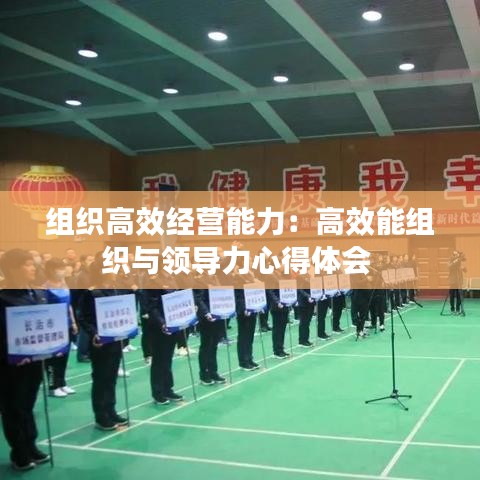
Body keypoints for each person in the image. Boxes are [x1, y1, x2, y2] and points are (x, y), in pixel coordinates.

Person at [0, 249, 50, 470]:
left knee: (28, 404)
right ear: (12, 269)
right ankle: (18, 451)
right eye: (27, 264)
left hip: (34, 362)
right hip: (10, 365)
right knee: (13, 407)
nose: (33, 268)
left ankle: (31, 444)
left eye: (33, 264)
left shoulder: (36, 294)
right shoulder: (3, 297)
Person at [78, 262, 128, 430]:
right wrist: (94, 333)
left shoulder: (116, 290)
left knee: (112, 377)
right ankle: (101, 415)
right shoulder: (92, 293)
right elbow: (83, 318)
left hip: (115, 340)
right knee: (101, 378)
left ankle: (111, 410)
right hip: (100, 343)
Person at [141, 272, 184, 405]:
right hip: (159, 327)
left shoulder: (172, 278)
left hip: (173, 323)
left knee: (167, 359)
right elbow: (151, 307)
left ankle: (168, 388)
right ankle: (158, 392)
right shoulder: (152, 281)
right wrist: (162, 322)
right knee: (159, 360)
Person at [43, 258, 78, 397]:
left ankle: (62, 383)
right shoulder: (45, 288)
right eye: (59, 268)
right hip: (53, 328)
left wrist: (73, 322)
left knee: (64, 355)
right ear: (51, 270)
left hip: (66, 325)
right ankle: (53, 386)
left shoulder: (64, 284)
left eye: (63, 268)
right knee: (53, 358)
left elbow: (69, 305)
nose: (62, 271)